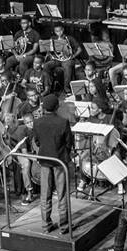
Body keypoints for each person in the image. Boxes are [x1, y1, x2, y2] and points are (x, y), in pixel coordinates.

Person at [35, 95, 74, 233]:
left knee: (45, 194)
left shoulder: (38, 122)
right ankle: (64, 226)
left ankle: (46, 225)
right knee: (62, 194)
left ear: (44, 107)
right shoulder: (63, 122)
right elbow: (69, 142)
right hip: (60, 161)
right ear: (57, 107)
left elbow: (37, 141)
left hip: (45, 161)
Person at [53, 24, 84, 91]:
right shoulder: (53, 39)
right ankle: (48, 87)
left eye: (60, 30)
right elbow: (49, 51)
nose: (58, 32)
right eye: (56, 31)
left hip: (68, 59)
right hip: (57, 59)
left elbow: (80, 49)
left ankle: (66, 87)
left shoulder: (69, 38)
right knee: (47, 65)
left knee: (67, 65)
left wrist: (73, 56)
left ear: (63, 30)